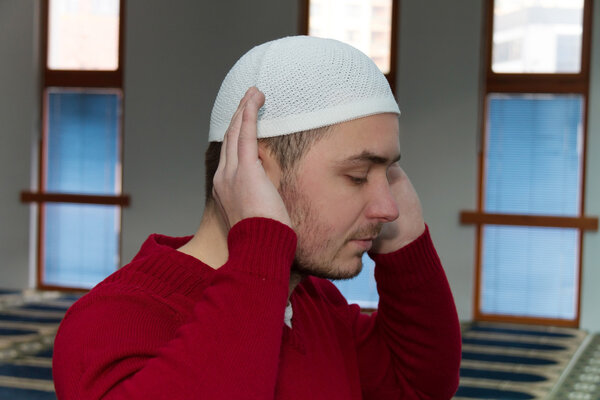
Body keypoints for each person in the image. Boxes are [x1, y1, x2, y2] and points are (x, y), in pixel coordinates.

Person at [53, 36, 461, 399]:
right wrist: (261, 243)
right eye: (357, 176)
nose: (387, 207)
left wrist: (406, 246)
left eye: (386, 173)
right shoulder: (109, 323)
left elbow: (418, 385)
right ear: (257, 173)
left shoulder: (313, 303)